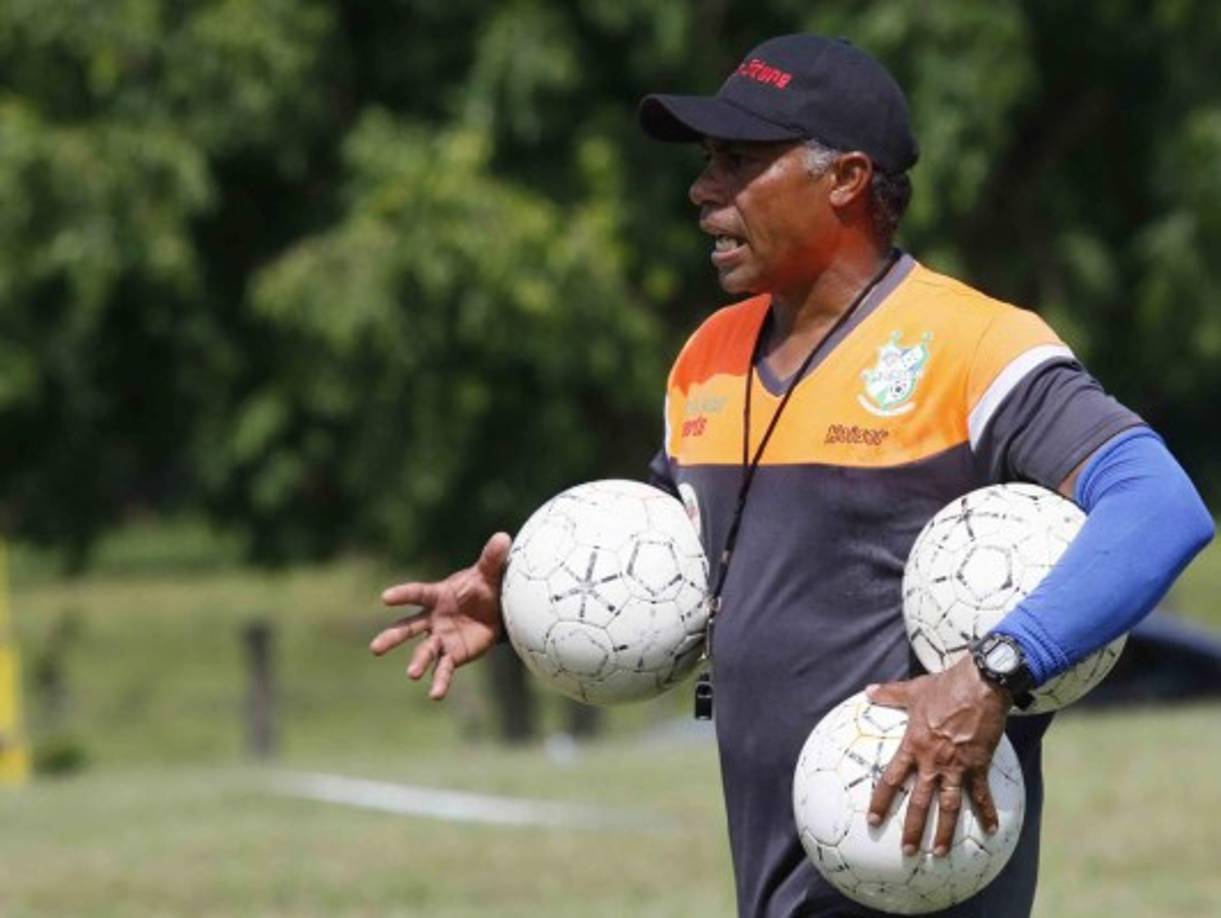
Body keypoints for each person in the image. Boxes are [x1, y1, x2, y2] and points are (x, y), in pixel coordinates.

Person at [371, 34, 1213, 918]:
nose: (703, 191)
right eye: (705, 162)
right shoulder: (708, 355)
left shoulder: (974, 345)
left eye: (737, 161)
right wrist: (527, 604)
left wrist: (991, 673)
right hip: (774, 884)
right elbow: (690, 573)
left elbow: (1159, 507)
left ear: (845, 178)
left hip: (919, 870)